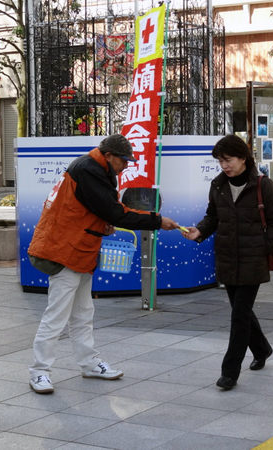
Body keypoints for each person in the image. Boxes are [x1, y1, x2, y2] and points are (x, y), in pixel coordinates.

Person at [27, 134, 179, 394]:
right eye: (123, 160)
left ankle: (89, 363)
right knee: (57, 315)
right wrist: (157, 220)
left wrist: (103, 224)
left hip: (80, 250)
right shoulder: (88, 170)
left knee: (83, 313)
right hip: (65, 251)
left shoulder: (96, 167)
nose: (127, 165)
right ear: (108, 156)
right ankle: (39, 371)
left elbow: (95, 210)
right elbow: (114, 212)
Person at [182, 135, 273, 390]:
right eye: (220, 161)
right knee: (242, 311)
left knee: (239, 315)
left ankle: (229, 372)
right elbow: (213, 216)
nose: (224, 165)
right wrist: (200, 231)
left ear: (243, 158)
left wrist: (264, 248)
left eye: (228, 160)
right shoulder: (218, 185)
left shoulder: (263, 185)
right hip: (227, 257)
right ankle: (262, 349)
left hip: (253, 260)